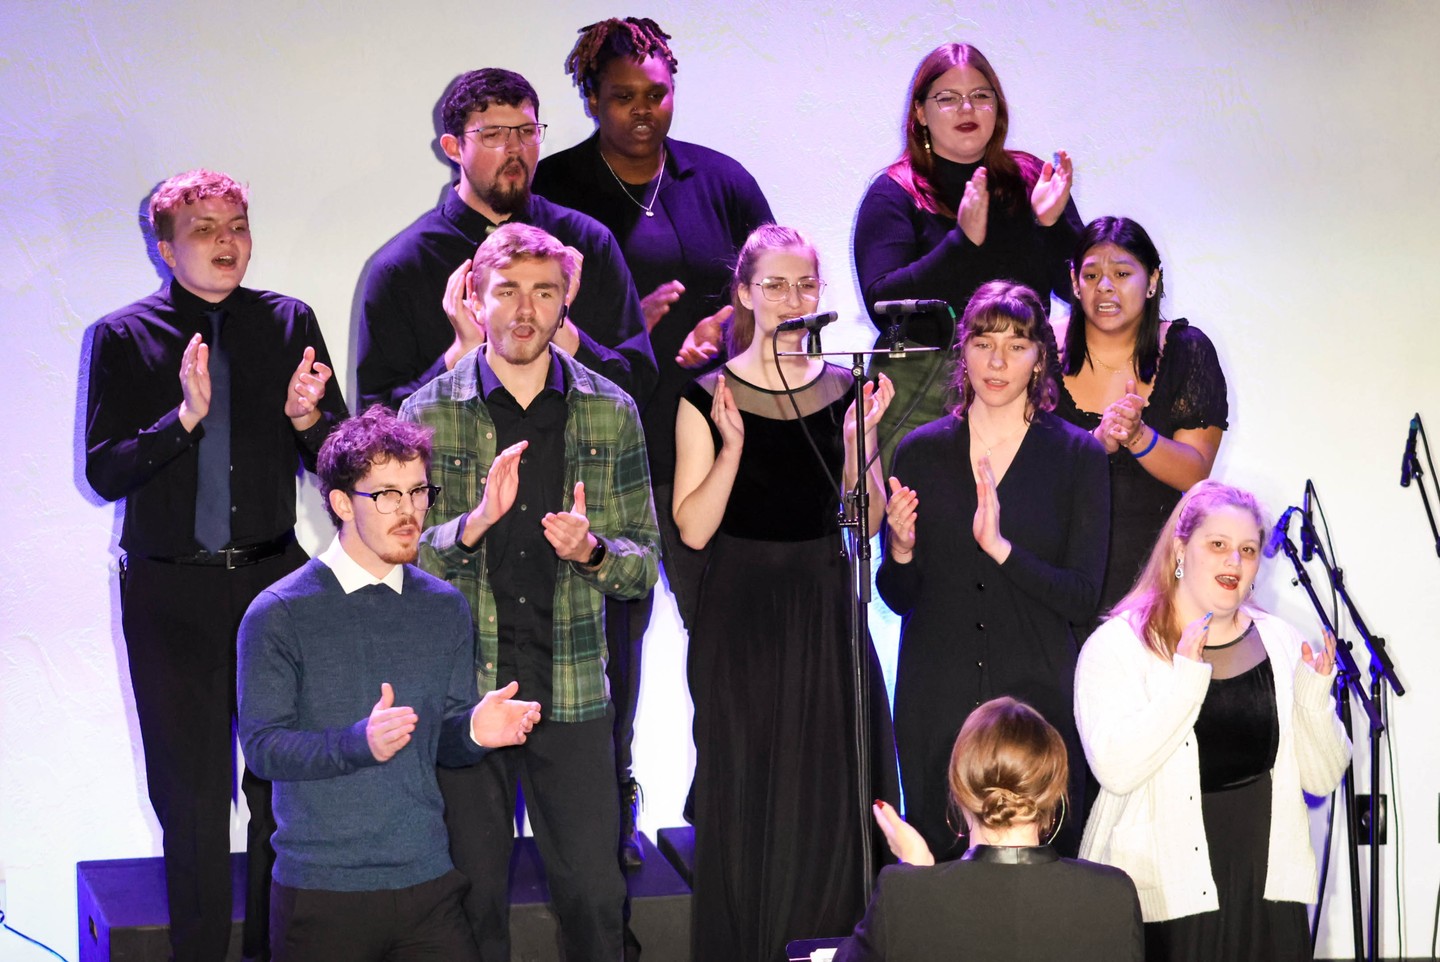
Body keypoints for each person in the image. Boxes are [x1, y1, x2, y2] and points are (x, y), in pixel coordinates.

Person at [84, 169, 346, 962]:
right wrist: (183, 420)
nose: (227, 240)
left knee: (279, 790)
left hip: (272, 584)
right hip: (170, 589)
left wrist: (312, 422)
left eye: (237, 224)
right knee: (191, 798)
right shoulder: (124, 337)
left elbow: (338, 460)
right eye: (205, 228)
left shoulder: (289, 320)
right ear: (165, 247)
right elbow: (104, 471)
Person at [532, 15, 775, 864]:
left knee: (730, 636)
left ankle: (731, 803)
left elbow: (771, 285)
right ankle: (609, 807)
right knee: (612, 644)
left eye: (657, 94)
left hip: (715, 438)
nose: (642, 112)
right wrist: (624, 335)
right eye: (622, 98)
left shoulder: (721, 180)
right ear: (591, 100)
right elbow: (530, 311)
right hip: (606, 448)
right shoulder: (557, 190)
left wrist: (730, 327)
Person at [398, 222, 659, 962]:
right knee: (471, 902)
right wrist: (473, 525)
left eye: (544, 292)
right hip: (467, 692)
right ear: (473, 300)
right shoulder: (427, 413)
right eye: (506, 292)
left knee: (595, 902)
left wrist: (594, 550)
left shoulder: (611, 409)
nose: (524, 310)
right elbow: (402, 564)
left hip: (571, 687)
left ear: (566, 301)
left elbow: (643, 565)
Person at [237, 406, 544, 961]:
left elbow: (443, 742)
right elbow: (263, 750)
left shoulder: (443, 607)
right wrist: (359, 742)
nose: (410, 512)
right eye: (386, 495)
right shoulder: (279, 613)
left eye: (418, 491)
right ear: (339, 503)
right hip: (322, 893)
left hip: (427, 881)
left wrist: (474, 730)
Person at [673, 224, 898, 962]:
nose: (791, 298)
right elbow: (696, 529)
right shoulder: (705, 392)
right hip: (741, 614)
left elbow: (859, 526)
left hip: (825, 605)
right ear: (744, 292)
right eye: (774, 284)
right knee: (747, 789)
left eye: (805, 284)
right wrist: (733, 449)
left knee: (831, 792)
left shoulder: (846, 389)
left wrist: (861, 441)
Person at [879, 280, 1108, 861]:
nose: (998, 361)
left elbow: (1083, 597)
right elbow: (899, 597)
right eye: (983, 342)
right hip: (937, 698)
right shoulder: (921, 451)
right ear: (964, 351)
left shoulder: (1076, 455)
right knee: (939, 868)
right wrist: (901, 550)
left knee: (1042, 879)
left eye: (1017, 344)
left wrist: (1002, 549)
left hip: (1037, 701)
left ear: (1040, 358)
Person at [1076, 480, 1350, 961]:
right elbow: (1115, 769)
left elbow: (1323, 778)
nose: (1234, 562)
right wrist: (1185, 679)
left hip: (1267, 889)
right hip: (1165, 891)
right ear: (1181, 550)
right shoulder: (1118, 646)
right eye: (1218, 545)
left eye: (1247, 550)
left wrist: (1312, 698)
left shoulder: (1282, 643)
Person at [358, 67, 656, 411]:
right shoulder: (403, 267)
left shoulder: (589, 242)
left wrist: (562, 330)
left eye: (527, 132)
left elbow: (638, 389)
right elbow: (374, 425)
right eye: (493, 135)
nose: (515, 149)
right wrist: (458, 357)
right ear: (454, 147)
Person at [854, 42, 1083, 474]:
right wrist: (960, 243)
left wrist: (1053, 227)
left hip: (1022, 380)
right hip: (922, 388)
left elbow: (1075, 288)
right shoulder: (895, 191)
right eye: (948, 98)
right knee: (924, 531)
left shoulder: (1030, 178)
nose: (967, 108)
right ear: (920, 111)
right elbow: (883, 305)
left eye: (981, 96)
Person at [834, 696, 1143, 961]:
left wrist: (916, 871)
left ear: (958, 788)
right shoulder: (1114, 895)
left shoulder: (901, 895)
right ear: (1056, 791)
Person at [1054, 216, 1229, 615]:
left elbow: (1195, 472)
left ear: (1152, 281)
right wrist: (1093, 446)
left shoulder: (1188, 350)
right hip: (1059, 572)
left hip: (1155, 578)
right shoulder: (1039, 349)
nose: (1105, 287)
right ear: (1074, 282)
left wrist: (1138, 437)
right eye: (1092, 274)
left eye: (1121, 273)